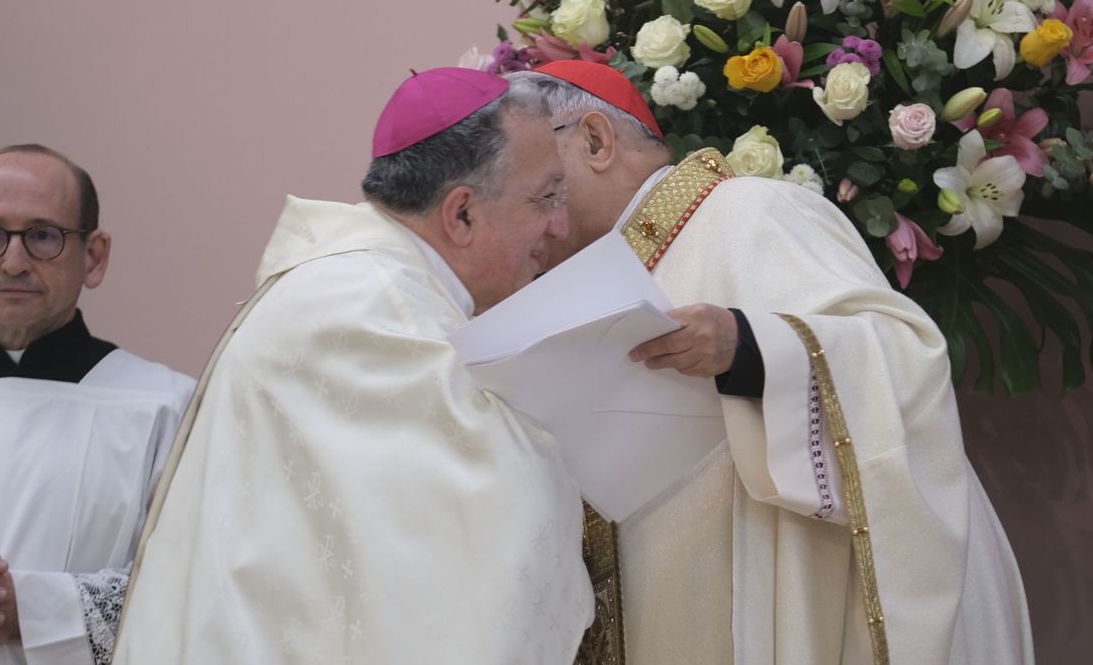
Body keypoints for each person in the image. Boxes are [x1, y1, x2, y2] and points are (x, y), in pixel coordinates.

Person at [509, 61, 1034, 665]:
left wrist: (748, 347)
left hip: (806, 604)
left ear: (595, 141)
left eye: (538, 184)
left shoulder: (750, 211)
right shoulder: (603, 276)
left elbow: (901, 356)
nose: (530, 216)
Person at [112, 68, 593, 664]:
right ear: (461, 214)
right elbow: (504, 511)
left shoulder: (366, 288)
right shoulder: (370, 310)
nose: (560, 226)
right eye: (546, 197)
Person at [0, 145, 195, 665]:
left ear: (94, 256)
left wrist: (40, 612)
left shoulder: (170, 410)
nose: (14, 262)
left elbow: (198, 587)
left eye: (43, 235)